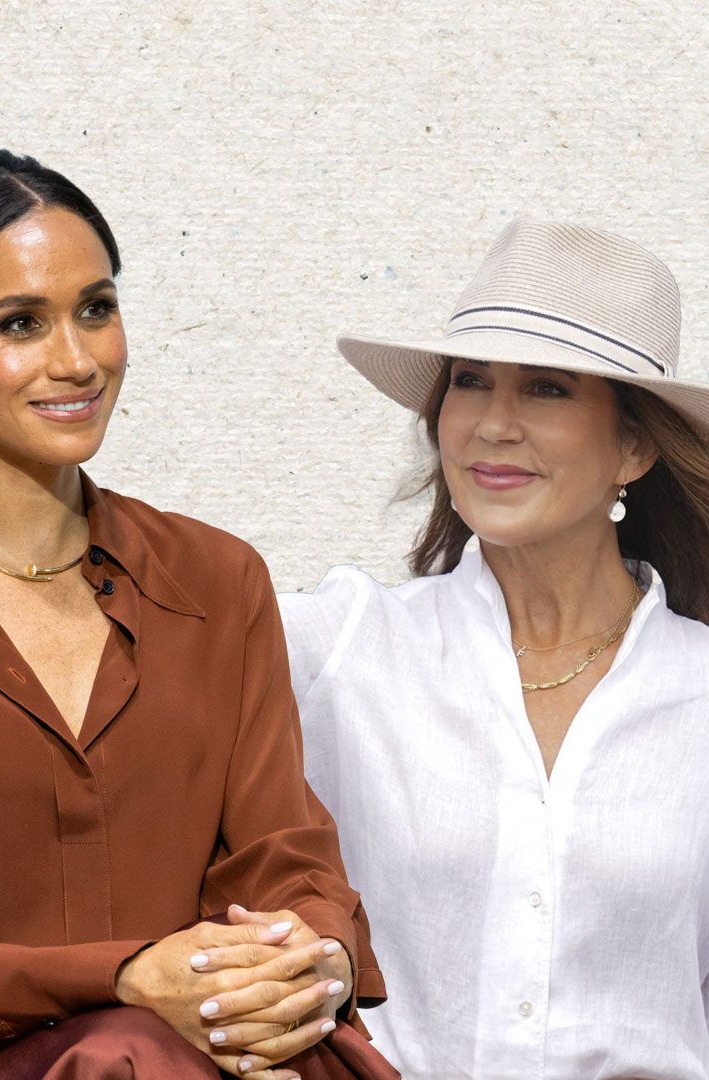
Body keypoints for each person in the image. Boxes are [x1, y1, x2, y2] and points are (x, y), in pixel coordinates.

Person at [0, 148, 397, 1080]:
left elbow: (284, 856)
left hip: (196, 1048)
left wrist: (314, 956)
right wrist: (129, 978)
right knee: (124, 1054)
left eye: (97, 309)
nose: (77, 359)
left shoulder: (219, 582)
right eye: (22, 322)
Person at [283, 219, 709, 1079]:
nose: (492, 425)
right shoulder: (346, 647)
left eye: (547, 389)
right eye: (470, 383)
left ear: (633, 446)